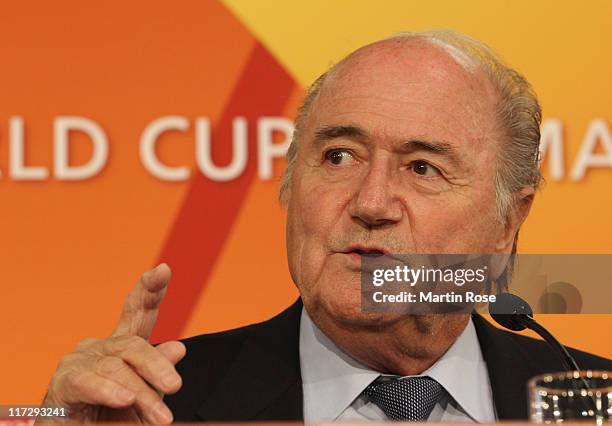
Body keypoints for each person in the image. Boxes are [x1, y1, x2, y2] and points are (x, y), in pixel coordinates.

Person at [41, 30, 611, 423]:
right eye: (339, 156)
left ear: (508, 220)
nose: (371, 201)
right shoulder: (157, 405)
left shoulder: (588, 397)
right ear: (290, 184)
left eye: (422, 168)